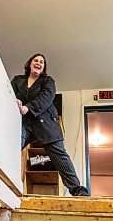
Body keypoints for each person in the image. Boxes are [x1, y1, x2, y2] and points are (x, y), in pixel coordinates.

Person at [11, 53, 89, 196]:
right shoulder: (17, 80)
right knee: (10, 149)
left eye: (42, 62)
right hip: (24, 122)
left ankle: (78, 190)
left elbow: (46, 98)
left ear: (43, 67)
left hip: (46, 122)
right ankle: (8, 184)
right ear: (30, 63)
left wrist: (28, 107)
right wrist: (13, 100)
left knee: (60, 155)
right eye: (36, 60)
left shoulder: (48, 81)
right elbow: (9, 93)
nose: (38, 63)